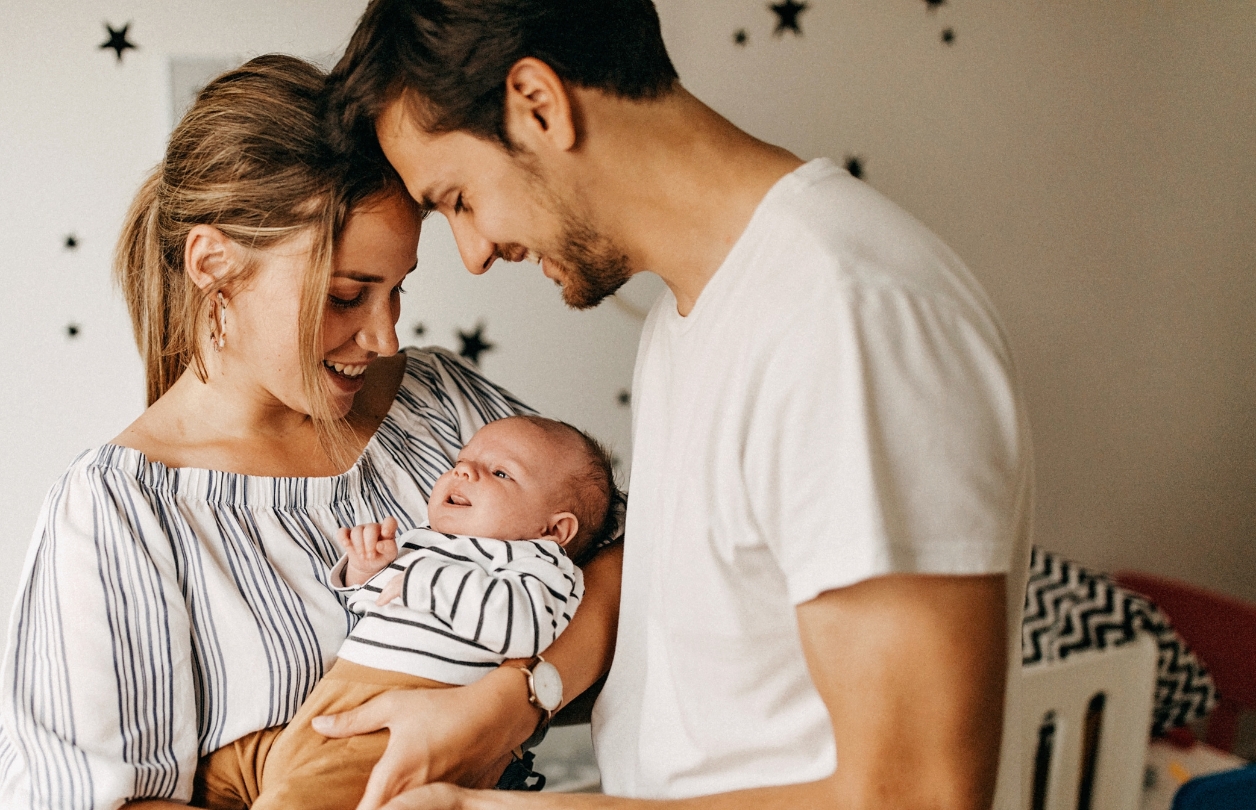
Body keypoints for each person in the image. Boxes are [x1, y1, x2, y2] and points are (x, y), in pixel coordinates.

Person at [323, 1, 1035, 808]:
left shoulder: (845, 315)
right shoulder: (690, 317)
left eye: (457, 199)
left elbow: (914, 795)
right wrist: (515, 699)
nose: (476, 253)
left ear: (538, 104)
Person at [0, 54, 624, 810]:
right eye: (349, 295)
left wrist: (513, 703)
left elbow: (628, 564)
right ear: (214, 264)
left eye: (397, 292)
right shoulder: (121, 513)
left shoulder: (440, 403)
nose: (386, 337)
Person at [191, 415, 618, 810]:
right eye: (461, 461)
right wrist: (367, 570)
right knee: (209, 773)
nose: (464, 472)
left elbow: (519, 626)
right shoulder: (426, 541)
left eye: (500, 472)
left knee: (302, 799)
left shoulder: (541, 564)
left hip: (399, 724)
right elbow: (373, 602)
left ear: (554, 529)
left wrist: (423, 580)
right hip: (328, 705)